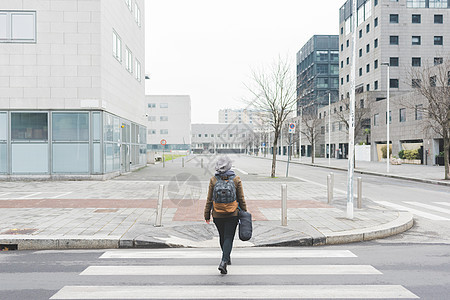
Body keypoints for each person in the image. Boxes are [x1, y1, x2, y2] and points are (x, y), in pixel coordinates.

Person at [204, 156, 247, 275]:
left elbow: (209, 199)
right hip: (232, 213)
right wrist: (244, 212)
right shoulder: (236, 179)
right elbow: (241, 198)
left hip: (217, 214)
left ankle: (226, 256)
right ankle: (224, 261)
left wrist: (207, 214)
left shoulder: (213, 180)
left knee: (222, 236)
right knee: (229, 237)